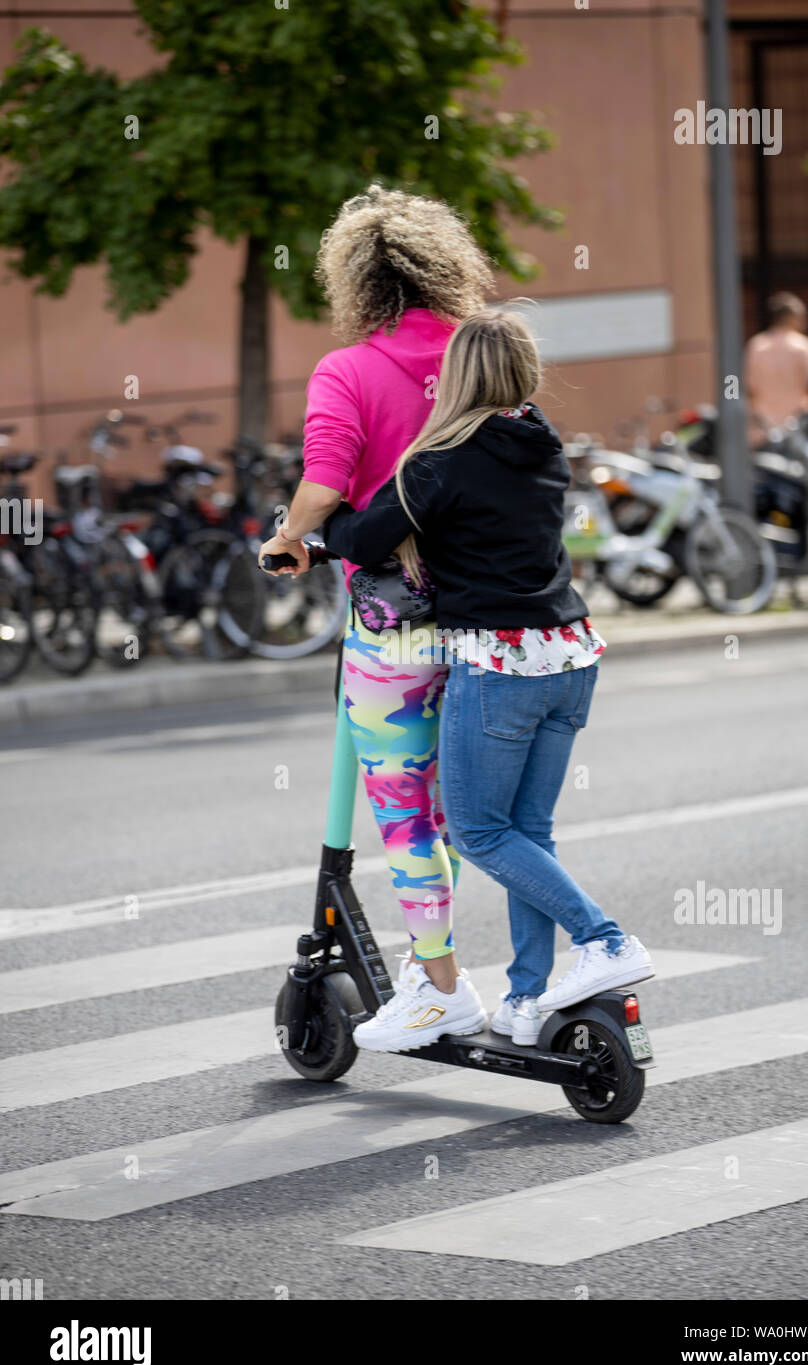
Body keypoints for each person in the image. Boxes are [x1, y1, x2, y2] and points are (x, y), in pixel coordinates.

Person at [319, 308, 654, 1052]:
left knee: (477, 831)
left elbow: (368, 537)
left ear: (457, 378)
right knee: (528, 833)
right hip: (571, 655)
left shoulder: (443, 459)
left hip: (502, 666)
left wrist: (322, 532)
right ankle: (527, 999)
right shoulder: (541, 441)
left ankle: (603, 939)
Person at [258, 184, 492, 1039]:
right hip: (487, 621)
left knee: (401, 811)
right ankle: (442, 962)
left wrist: (288, 538)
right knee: (461, 812)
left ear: (357, 281)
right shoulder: (481, 353)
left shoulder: (348, 369)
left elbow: (325, 481)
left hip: (394, 633)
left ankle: (441, 987)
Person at [744, 292, 808, 437]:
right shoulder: (804, 347)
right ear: (791, 318)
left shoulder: (755, 345)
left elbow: (740, 384)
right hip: (799, 427)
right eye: (802, 316)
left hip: (762, 428)